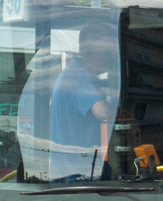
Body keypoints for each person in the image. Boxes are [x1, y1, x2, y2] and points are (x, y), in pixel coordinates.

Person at [48, 20, 120, 181]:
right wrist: (131, 114)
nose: (113, 56)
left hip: (69, 172)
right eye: (108, 51)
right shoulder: (79, 76)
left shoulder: (74, 73)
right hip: (76, 177)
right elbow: (103, 112)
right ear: (88, 50)